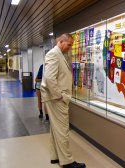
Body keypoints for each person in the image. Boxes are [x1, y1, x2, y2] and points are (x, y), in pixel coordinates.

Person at [41, 33, 86, 168]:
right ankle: (67, 162)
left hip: (55, 97)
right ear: (61, 42)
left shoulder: (59, 54)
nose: (70, 48)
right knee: (62, 130)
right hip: (56, 98)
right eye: (69, 44)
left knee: (56, 129)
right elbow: (49, 78)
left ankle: (55, 157)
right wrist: (59, 96)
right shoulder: (54, 54)